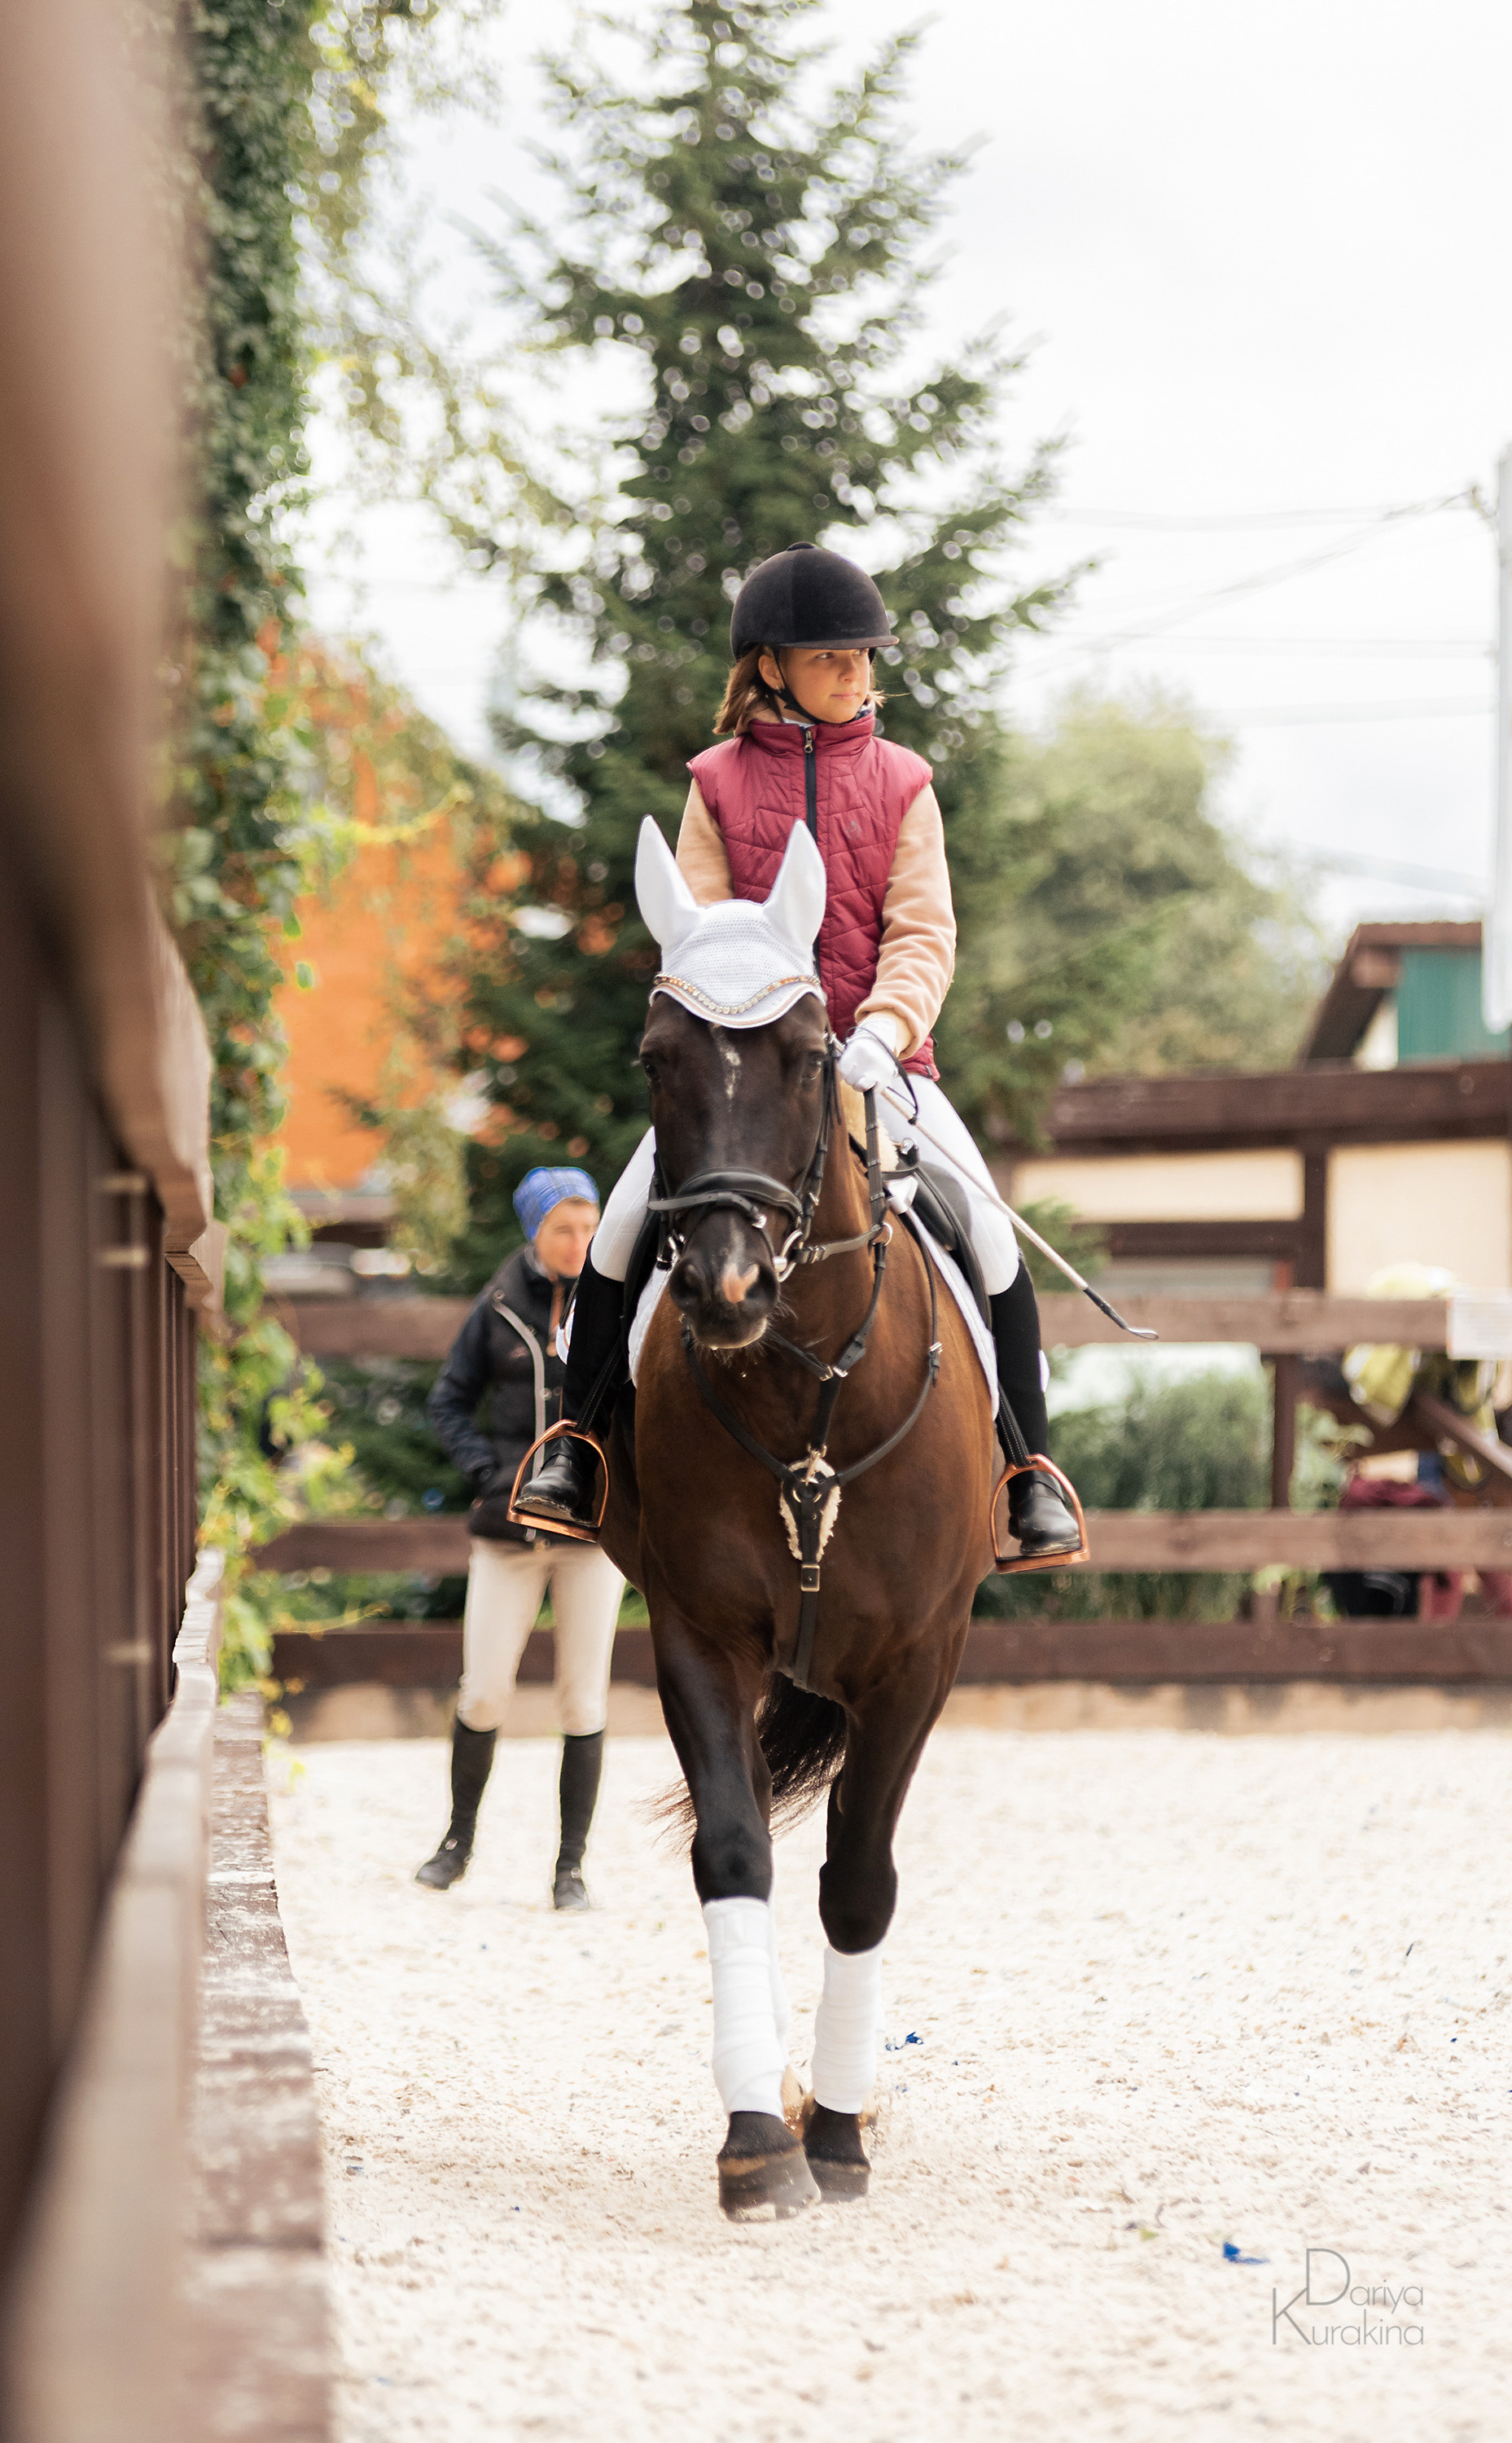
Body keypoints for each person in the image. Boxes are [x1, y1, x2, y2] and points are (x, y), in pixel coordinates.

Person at [516, 540, 1082, 1561]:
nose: (853, 672)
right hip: (747, 1072)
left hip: (880, 1064)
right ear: (770, 666)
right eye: (830, 656)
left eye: (862, 656)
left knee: (989, 1236)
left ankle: (1026, 1471)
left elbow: (923, 933)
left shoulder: (904, 783)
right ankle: (575, 1447)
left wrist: (886, 1030)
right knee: (618, 1233)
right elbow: (693, 934)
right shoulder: (715, 784)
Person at [416, 1167, 626, 1897]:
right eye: (564, 1229)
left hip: (590, 1538)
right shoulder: (498, 1304)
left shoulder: (620, 1304)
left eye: (590, 1227)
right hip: (507, 1536)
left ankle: (570, 1869)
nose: (580, 1242)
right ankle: (456, 1845)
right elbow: (448, 1399)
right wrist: (487, 1472)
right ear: (535, 1232)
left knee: (583, 1699)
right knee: (483, 1694)